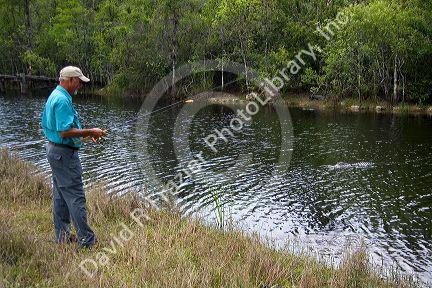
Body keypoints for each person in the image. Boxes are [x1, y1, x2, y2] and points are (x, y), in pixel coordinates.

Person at [41, 66, 106, 248]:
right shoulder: (62, 100)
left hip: (54, 151)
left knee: (61, 195)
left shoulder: (55, 95)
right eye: (78, 82)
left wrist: (86, 135)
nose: (79, 86)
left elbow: (57, 129)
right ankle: (86, 240)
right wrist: (90, 130)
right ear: (71, 80)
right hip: (63, 155)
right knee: (75, 196)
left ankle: (62, 236)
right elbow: (64, 132)